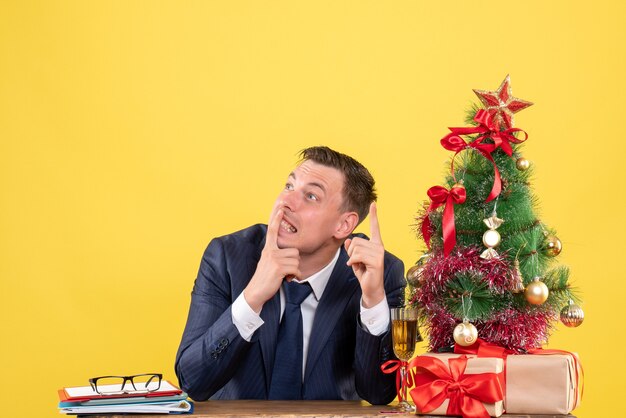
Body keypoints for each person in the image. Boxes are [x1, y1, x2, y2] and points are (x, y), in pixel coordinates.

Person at [175, 146, 406, 404]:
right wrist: (252, 297)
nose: (286, 202)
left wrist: (373, 300)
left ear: (343, 225)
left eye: (311, 196)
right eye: (289, 186)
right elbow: (193, 382)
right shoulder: (226, 257)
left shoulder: (380, 272)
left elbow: (379, 394)